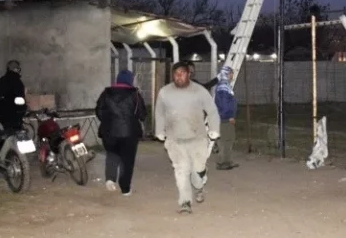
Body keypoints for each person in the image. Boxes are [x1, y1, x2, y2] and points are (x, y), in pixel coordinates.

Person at [155, 61, 221, 214]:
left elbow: (212, 110)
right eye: (176, 74)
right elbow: (159, 112)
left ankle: (199, 185)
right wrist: (159, 130)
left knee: (197, 170)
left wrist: (214, 129)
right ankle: (185, 202)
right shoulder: (165, 92)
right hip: (174, 140)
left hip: (197, 138)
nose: (179, 77)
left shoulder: (199, 91)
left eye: (182, 73)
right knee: (181, 170)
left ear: (189, 74)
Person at [95, 69, 147, 196]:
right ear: (130, 80)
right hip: (129, 133)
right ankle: (125, 189)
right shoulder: (135, 94)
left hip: (109, 132)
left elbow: (99, 111)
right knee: (127, 160)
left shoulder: (106, 93)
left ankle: (110, 179)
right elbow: (142, 114)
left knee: (112, 154)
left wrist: (108, 121)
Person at [0, 60, 27, 132]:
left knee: (5, 133)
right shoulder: (17, 82)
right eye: (18, 68)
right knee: (16, 135)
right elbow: (20, 99)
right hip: (14, 116)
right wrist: (24, 109)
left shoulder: (0, 81)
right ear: (15, 69)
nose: (19, 70)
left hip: (2, 116)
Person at [213, 66, 239, 170]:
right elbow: (224, 104)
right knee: (225, 140)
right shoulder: (223, 87)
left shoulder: (224, 86)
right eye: (231, 73)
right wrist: (229, 116)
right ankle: (222, 162)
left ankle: (227, 161)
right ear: (226, 74)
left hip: (224, 117)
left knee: (229, 139)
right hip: (224, 118)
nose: (232, 75)